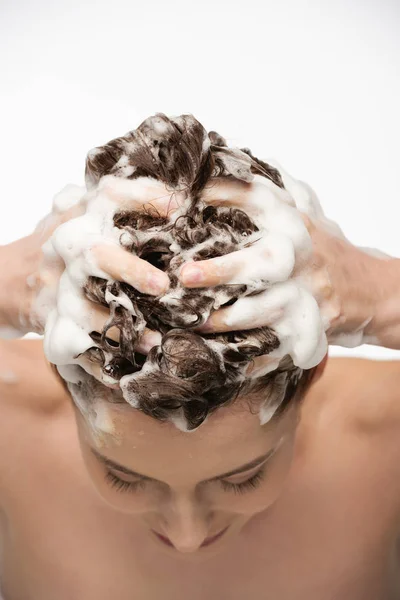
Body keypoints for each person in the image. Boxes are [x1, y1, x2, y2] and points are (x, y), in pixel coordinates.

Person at [0, 114, 400, 600]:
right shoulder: (10, 429)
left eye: (243, 477)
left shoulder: (384, 446)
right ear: (61, 380)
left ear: (312, 376)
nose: (186, 537)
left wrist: (378, 294)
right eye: (123, 477)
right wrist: (12, 282)